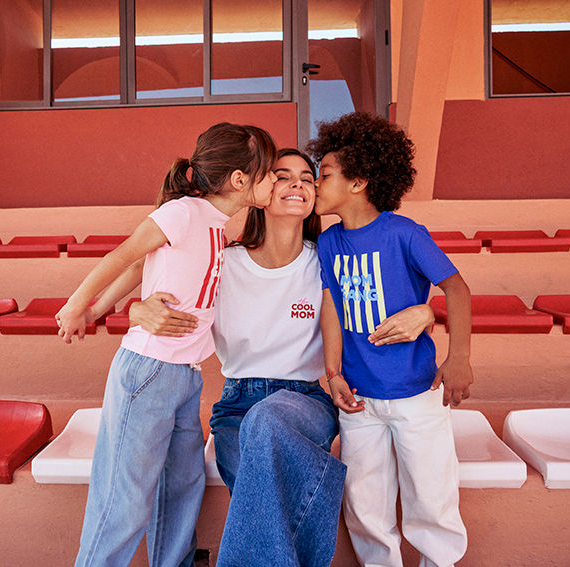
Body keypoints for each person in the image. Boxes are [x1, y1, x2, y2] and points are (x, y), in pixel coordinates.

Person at [129, 148, 436, 566]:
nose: (297, 184)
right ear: (260, 191)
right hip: (236, 407)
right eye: (283, 175)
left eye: (308, 178)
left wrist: (429, 310)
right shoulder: (223, 260)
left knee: (269, 420)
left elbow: (380, 298)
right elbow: (158, 285)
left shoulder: (327, 259)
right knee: (267, 487)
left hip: (306, 400)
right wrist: (135, 309)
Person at [55, 122, 278, 567]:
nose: (274, 181)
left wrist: (104, 310)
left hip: (185, 378)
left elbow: (144, 270)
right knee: (125, 498)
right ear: (240, 180)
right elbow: (125, 256)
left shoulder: (217, 227)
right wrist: (79, 306)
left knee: (182, 488)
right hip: (148, 373)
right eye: (269, 172)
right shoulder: (183, 213)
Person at [308, 112, 473, 567]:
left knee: (431, 497)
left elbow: (456, 288)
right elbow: (332, 309)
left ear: (358, 181)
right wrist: (333, 372)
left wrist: (459, 357)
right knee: (365, 506)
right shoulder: (328, 243)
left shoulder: (404, 234)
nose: (316, 185)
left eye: (324, 174)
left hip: (416, 394)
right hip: (359, 400)